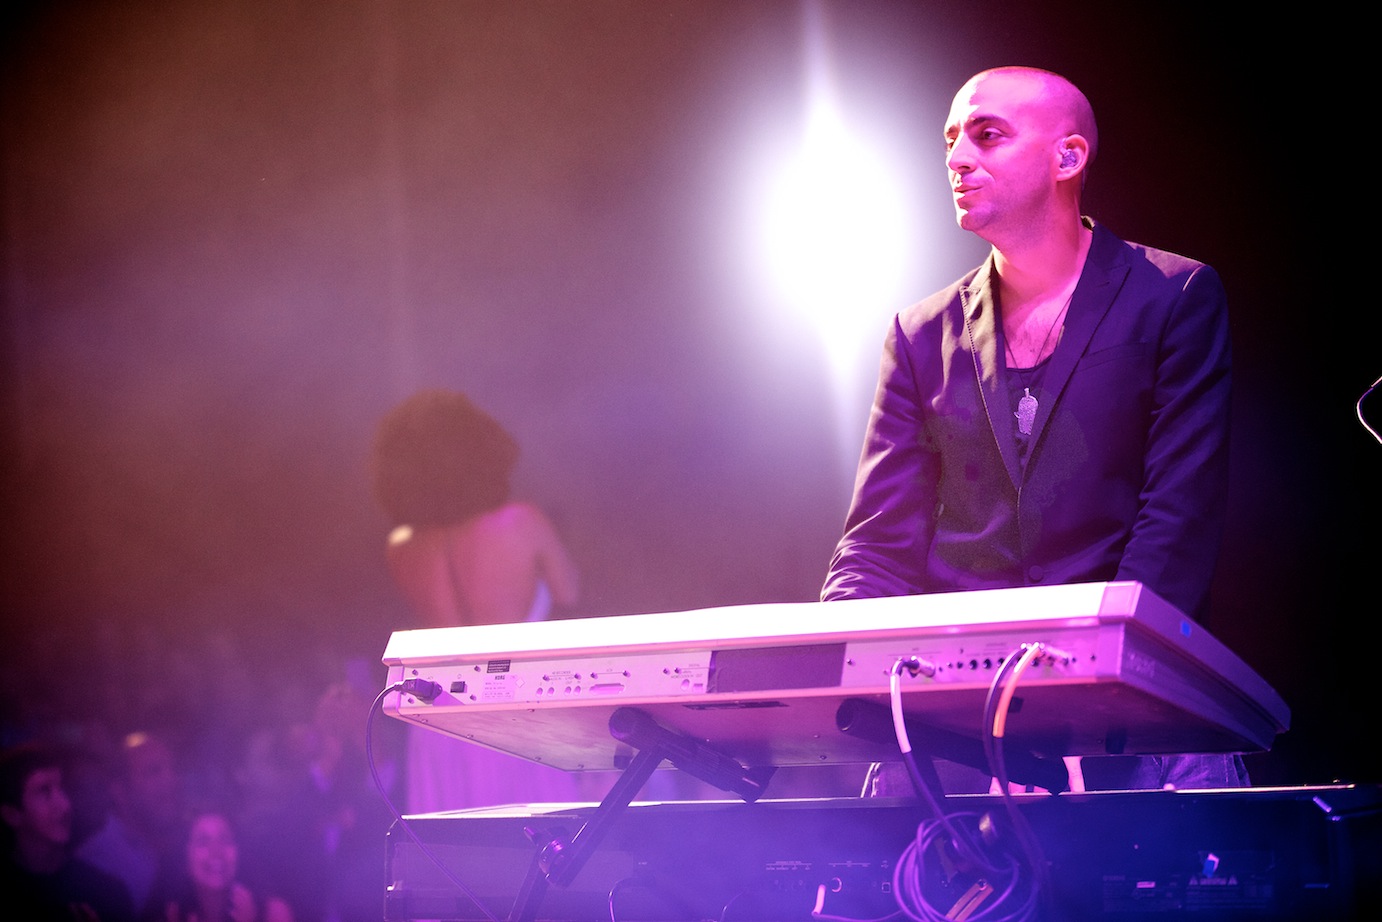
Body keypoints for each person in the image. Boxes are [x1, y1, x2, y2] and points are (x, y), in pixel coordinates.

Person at [821, 66, 1247, 793]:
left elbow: (1176, 525)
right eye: (950, 140)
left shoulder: (1174, 297)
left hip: (1132, 717)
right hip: (951, 727)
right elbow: (876, 546)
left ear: (1068, 157)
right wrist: (839, 665)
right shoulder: (920, 334)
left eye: (987, 135)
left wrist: (1083, 687)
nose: (958, 158)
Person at [371, 389, 603, 812]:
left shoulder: (401, 547)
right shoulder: (521, 522)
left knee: (457, 842)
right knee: (538, 836)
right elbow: (570, 592)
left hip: (440, 719)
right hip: (517, 709)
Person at [0, 741, 136, 922]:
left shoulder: (105, 893)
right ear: (11, 815)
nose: (64, 805)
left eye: (62, 788)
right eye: (44, 791)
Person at [76, 731, 185, 919]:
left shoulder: (178, 840)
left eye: (171, 768)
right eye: (154, 771)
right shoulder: (97, 863)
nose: (171, 780)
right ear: (119, 791)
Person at [144, 807, 293, 922]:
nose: (216, 851)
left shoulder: (273, 913)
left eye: (225, 839)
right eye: (203, 842)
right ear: (185, 859)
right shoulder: (170, 915)